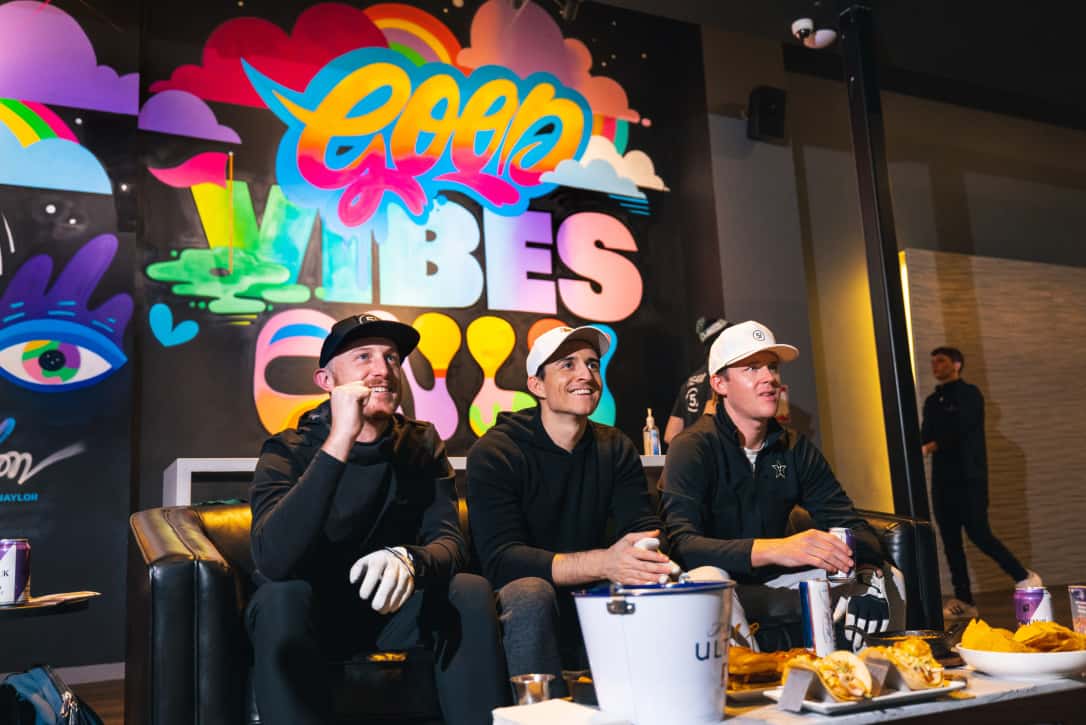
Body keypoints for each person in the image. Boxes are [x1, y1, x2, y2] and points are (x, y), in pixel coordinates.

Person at [246, 314, 508, 725]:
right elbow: (273, 560)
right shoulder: (289, 449)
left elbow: (450, 543)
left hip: (392, 612)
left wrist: (411, 559)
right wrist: (340, 439)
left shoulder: (421, 442)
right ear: (327, 381)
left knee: (468, 589)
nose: (383, 369)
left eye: (391, 358)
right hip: (314, 616)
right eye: (363, 357)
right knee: (281, 597)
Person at [660, 320, 905, 652]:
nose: (769, 378)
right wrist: (780, 548)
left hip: (776, 581)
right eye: (752, 368)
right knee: (709, 580)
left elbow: (852, 526)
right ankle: (749, 679)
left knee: (890, 579)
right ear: (719, 383)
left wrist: (865, 568)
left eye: (772, 367)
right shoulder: (693, 447)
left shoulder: (794, 448)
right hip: (718, 582)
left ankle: (865, 675)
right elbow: (683, 546)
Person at [466, 325, 678, 693]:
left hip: (595, 590)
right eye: (568, 364)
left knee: (655, 578)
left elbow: (642, 524)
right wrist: (604, 562)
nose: (586, 375)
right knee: (531, 592)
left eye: (592, 364)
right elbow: (502, 559)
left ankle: (649, 707)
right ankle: (540, 714)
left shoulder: (615, 446)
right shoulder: (495, 452)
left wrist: (645, 556)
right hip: (524, 597)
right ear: (537, 385)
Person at [921, 346, 1040, 620]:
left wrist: (933, 445)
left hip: (970, 478)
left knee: (978, 533)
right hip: (942, 481)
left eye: (941, 361)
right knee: (950, 541)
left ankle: (1024, 576)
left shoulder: (970, 394)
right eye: (933, 362)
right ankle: (965, 600)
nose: (936, 366)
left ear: (956, 365)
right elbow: (925, 435)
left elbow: (962, 429)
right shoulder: (932, 401)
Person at [664, 316, 730, 445]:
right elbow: (710, 424)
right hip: (715, 453)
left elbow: (670, 434)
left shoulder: (689, 382)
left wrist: (691, 449)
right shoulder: (718, 377)